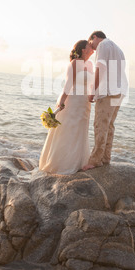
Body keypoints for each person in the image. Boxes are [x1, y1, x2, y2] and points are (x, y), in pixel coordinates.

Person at [39, 40, 94, 175]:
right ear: (83, 49)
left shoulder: (91, 64)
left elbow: (92, 84)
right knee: (68, 129)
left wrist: (94, 95)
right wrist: (62, 101)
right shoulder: (75, 63)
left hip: (85, 102)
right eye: (89, 46)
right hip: (73, 100)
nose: (92, 48)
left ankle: (79, 162)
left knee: (81, 130)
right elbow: (69, 83)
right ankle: (62, 163)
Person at [82, 31, 128, 171]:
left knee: (100, 125)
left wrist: (93, 91)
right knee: (109, 126)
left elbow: (100, 68)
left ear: (94, 38)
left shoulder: (103, 45)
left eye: (91, 44)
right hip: (120, 90)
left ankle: (95, 160)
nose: (93, 49)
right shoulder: (118, 49)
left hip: (108, 91)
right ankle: (105, 158)